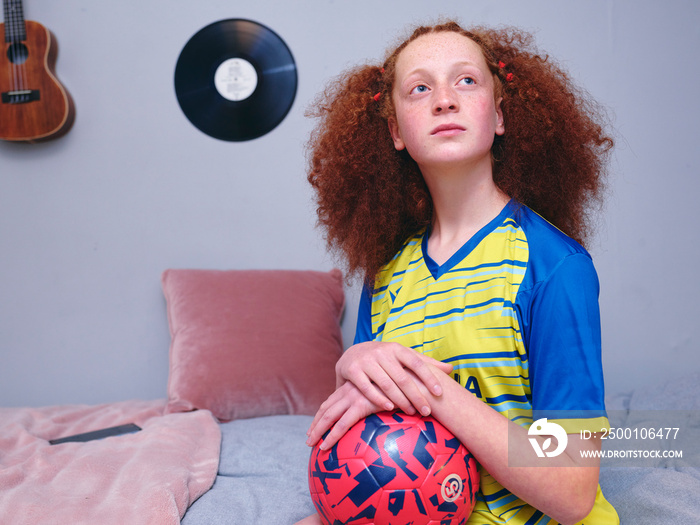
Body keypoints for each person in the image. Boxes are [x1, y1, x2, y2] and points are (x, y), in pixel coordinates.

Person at [298, 20, 617, 525]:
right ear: (396, 132)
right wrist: (353, 363)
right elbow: (366, 435)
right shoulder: (385, 274)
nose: (444, 100)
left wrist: (430, 388)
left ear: (500, 116)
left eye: (466, 81)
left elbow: (573, 493)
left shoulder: (554, 266)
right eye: (419, 88)